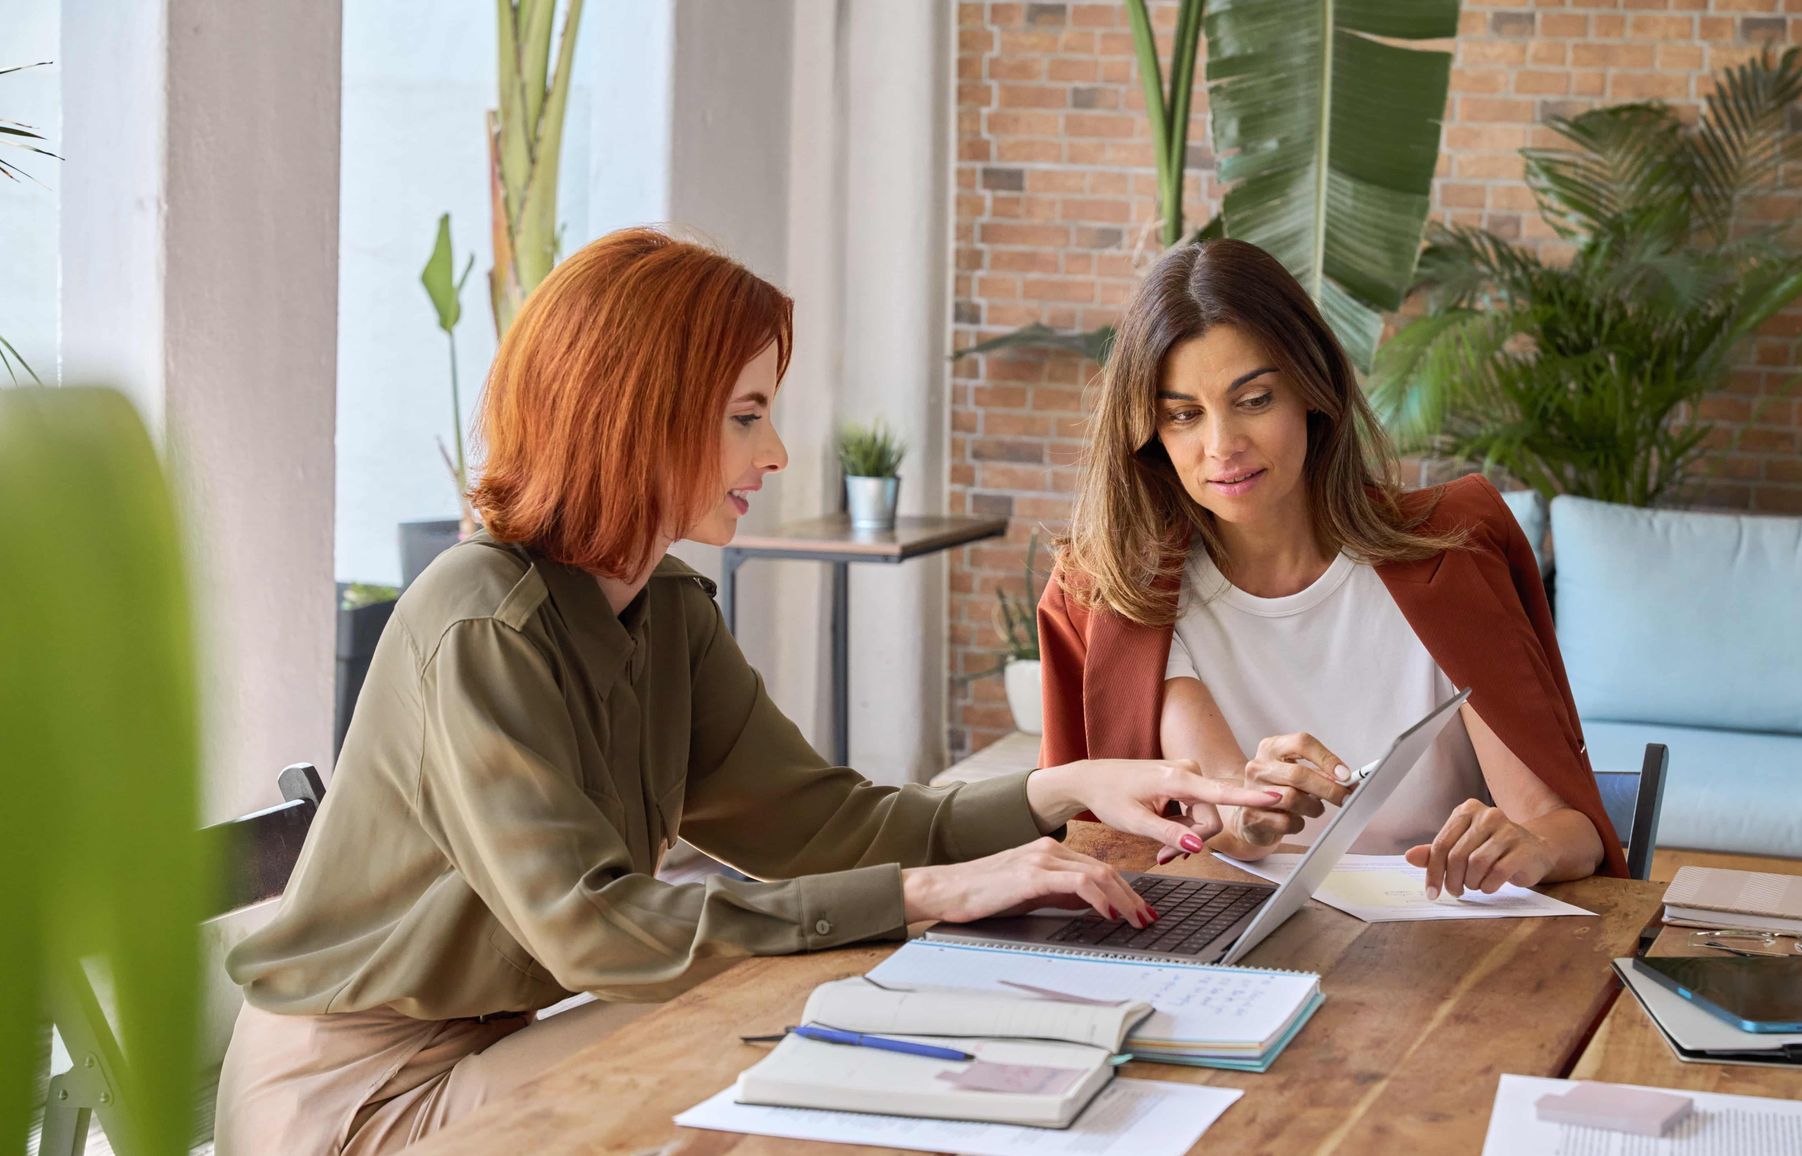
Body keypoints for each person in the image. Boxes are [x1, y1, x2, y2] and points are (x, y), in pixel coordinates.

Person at [215, 229, 1288, 1155]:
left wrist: (1066, 790)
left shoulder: (667, 609)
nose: (775, 451)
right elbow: (597, 931)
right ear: (634, 414)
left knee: (823, 1008)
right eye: (745, 415)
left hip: (490, 1050)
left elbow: (832, 826)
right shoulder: (481, 625)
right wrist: (923, 896)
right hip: (361, 1105)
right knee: (801, 1024)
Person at [1037, 238, 1626, 905]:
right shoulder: (1122, 599)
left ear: (1312, 394)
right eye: (1183, 415)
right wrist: (1250, 825)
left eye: (1254, 400)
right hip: (1240, 960)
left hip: (1448, 957)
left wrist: (1532, 844)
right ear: (1150, 432)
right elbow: (1213, 824)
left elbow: (1570, 827)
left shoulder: (1449, 554)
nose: (1222, 446)